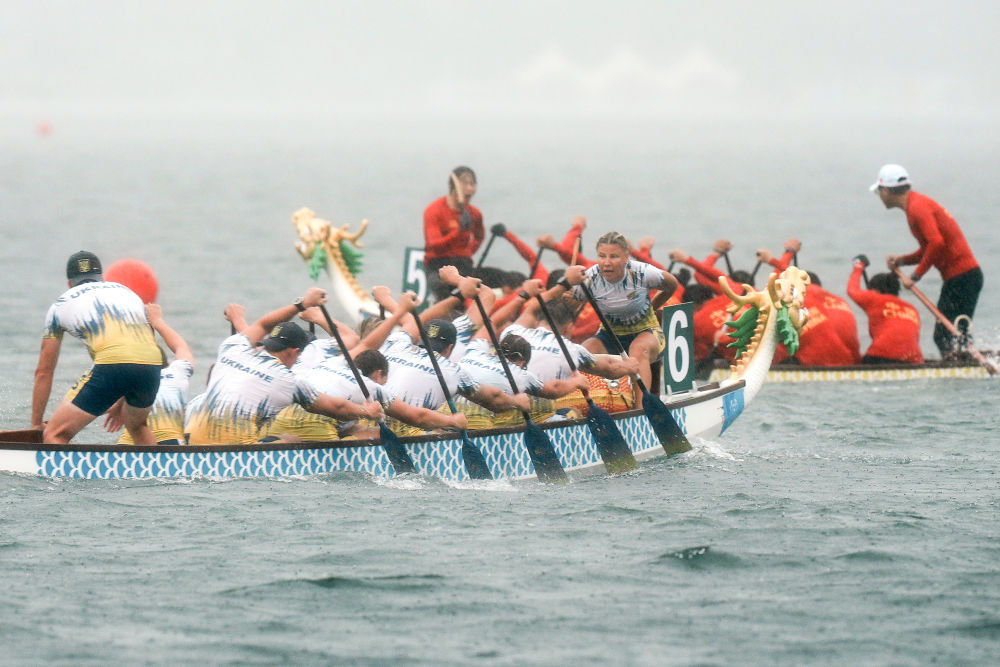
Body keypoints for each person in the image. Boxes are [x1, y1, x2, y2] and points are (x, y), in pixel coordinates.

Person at [184, 287, 383, 445]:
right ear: (295, 352)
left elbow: (262, 325)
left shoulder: (233, 346)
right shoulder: (290, 381)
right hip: (238, 451)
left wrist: (301, 304)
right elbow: (336, 407)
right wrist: (366, 412)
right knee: (292, 440)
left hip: (192, 444)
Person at [31, 251, 162, 444]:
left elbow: (44, 371)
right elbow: (144, 347)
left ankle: (64, 464)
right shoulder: (128, 293)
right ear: (102, 277)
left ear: (69, 283)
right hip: (152, 365)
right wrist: (123, 398)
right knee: (136, 425)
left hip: (113, 365)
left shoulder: (59, 305)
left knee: (54, 434)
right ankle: (155, 463)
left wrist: (36, 424)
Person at [872, 164, 983, 355]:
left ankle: (965, 366)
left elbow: (936, 243)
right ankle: (966, 363)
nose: (879, 196)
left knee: (945, 336)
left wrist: (915, 276)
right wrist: (902, 261)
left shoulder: (917, 208)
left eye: (879, 191)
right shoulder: (915, 205)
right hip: (961, 278)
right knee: (953, 336)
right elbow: (929, 248)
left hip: (963, 278)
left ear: (887, 190)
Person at [557, 231, 679, 388]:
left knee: (638, 350)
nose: (607, 263)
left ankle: (642, 403)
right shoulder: (589, 278)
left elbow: (672, 284)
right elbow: (564, 308)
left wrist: (653, 306)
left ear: (626, 257)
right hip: (609, 335)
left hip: (646, 332)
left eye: (613, 257)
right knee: (583, 354)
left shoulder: (641, 272)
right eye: (602, 256)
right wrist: (566, 292)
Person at [108, 303, 196, 445]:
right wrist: (157, 322)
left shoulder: (128, 376)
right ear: (168, 364)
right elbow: (181, 347)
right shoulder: (176, 372)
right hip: (169, 442)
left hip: (128, 445)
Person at [423, 166, 485, 302]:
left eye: (472, 184)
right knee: (442, 289)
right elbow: (434, 245)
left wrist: (467, 252)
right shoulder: (434, 210)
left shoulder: (474, 213)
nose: (469, 189)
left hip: (463, 263)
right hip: (438, 265)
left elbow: (479, 237)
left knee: (489, 282)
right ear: (453, 186)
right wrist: (458, 232)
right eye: (465, 183)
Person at [847, 256, 923, 365]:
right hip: (914, 360)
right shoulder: (911, 309)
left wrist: (858, 266)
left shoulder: (874, 299)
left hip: (881, 356)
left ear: (875, 290)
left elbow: (852, 290)